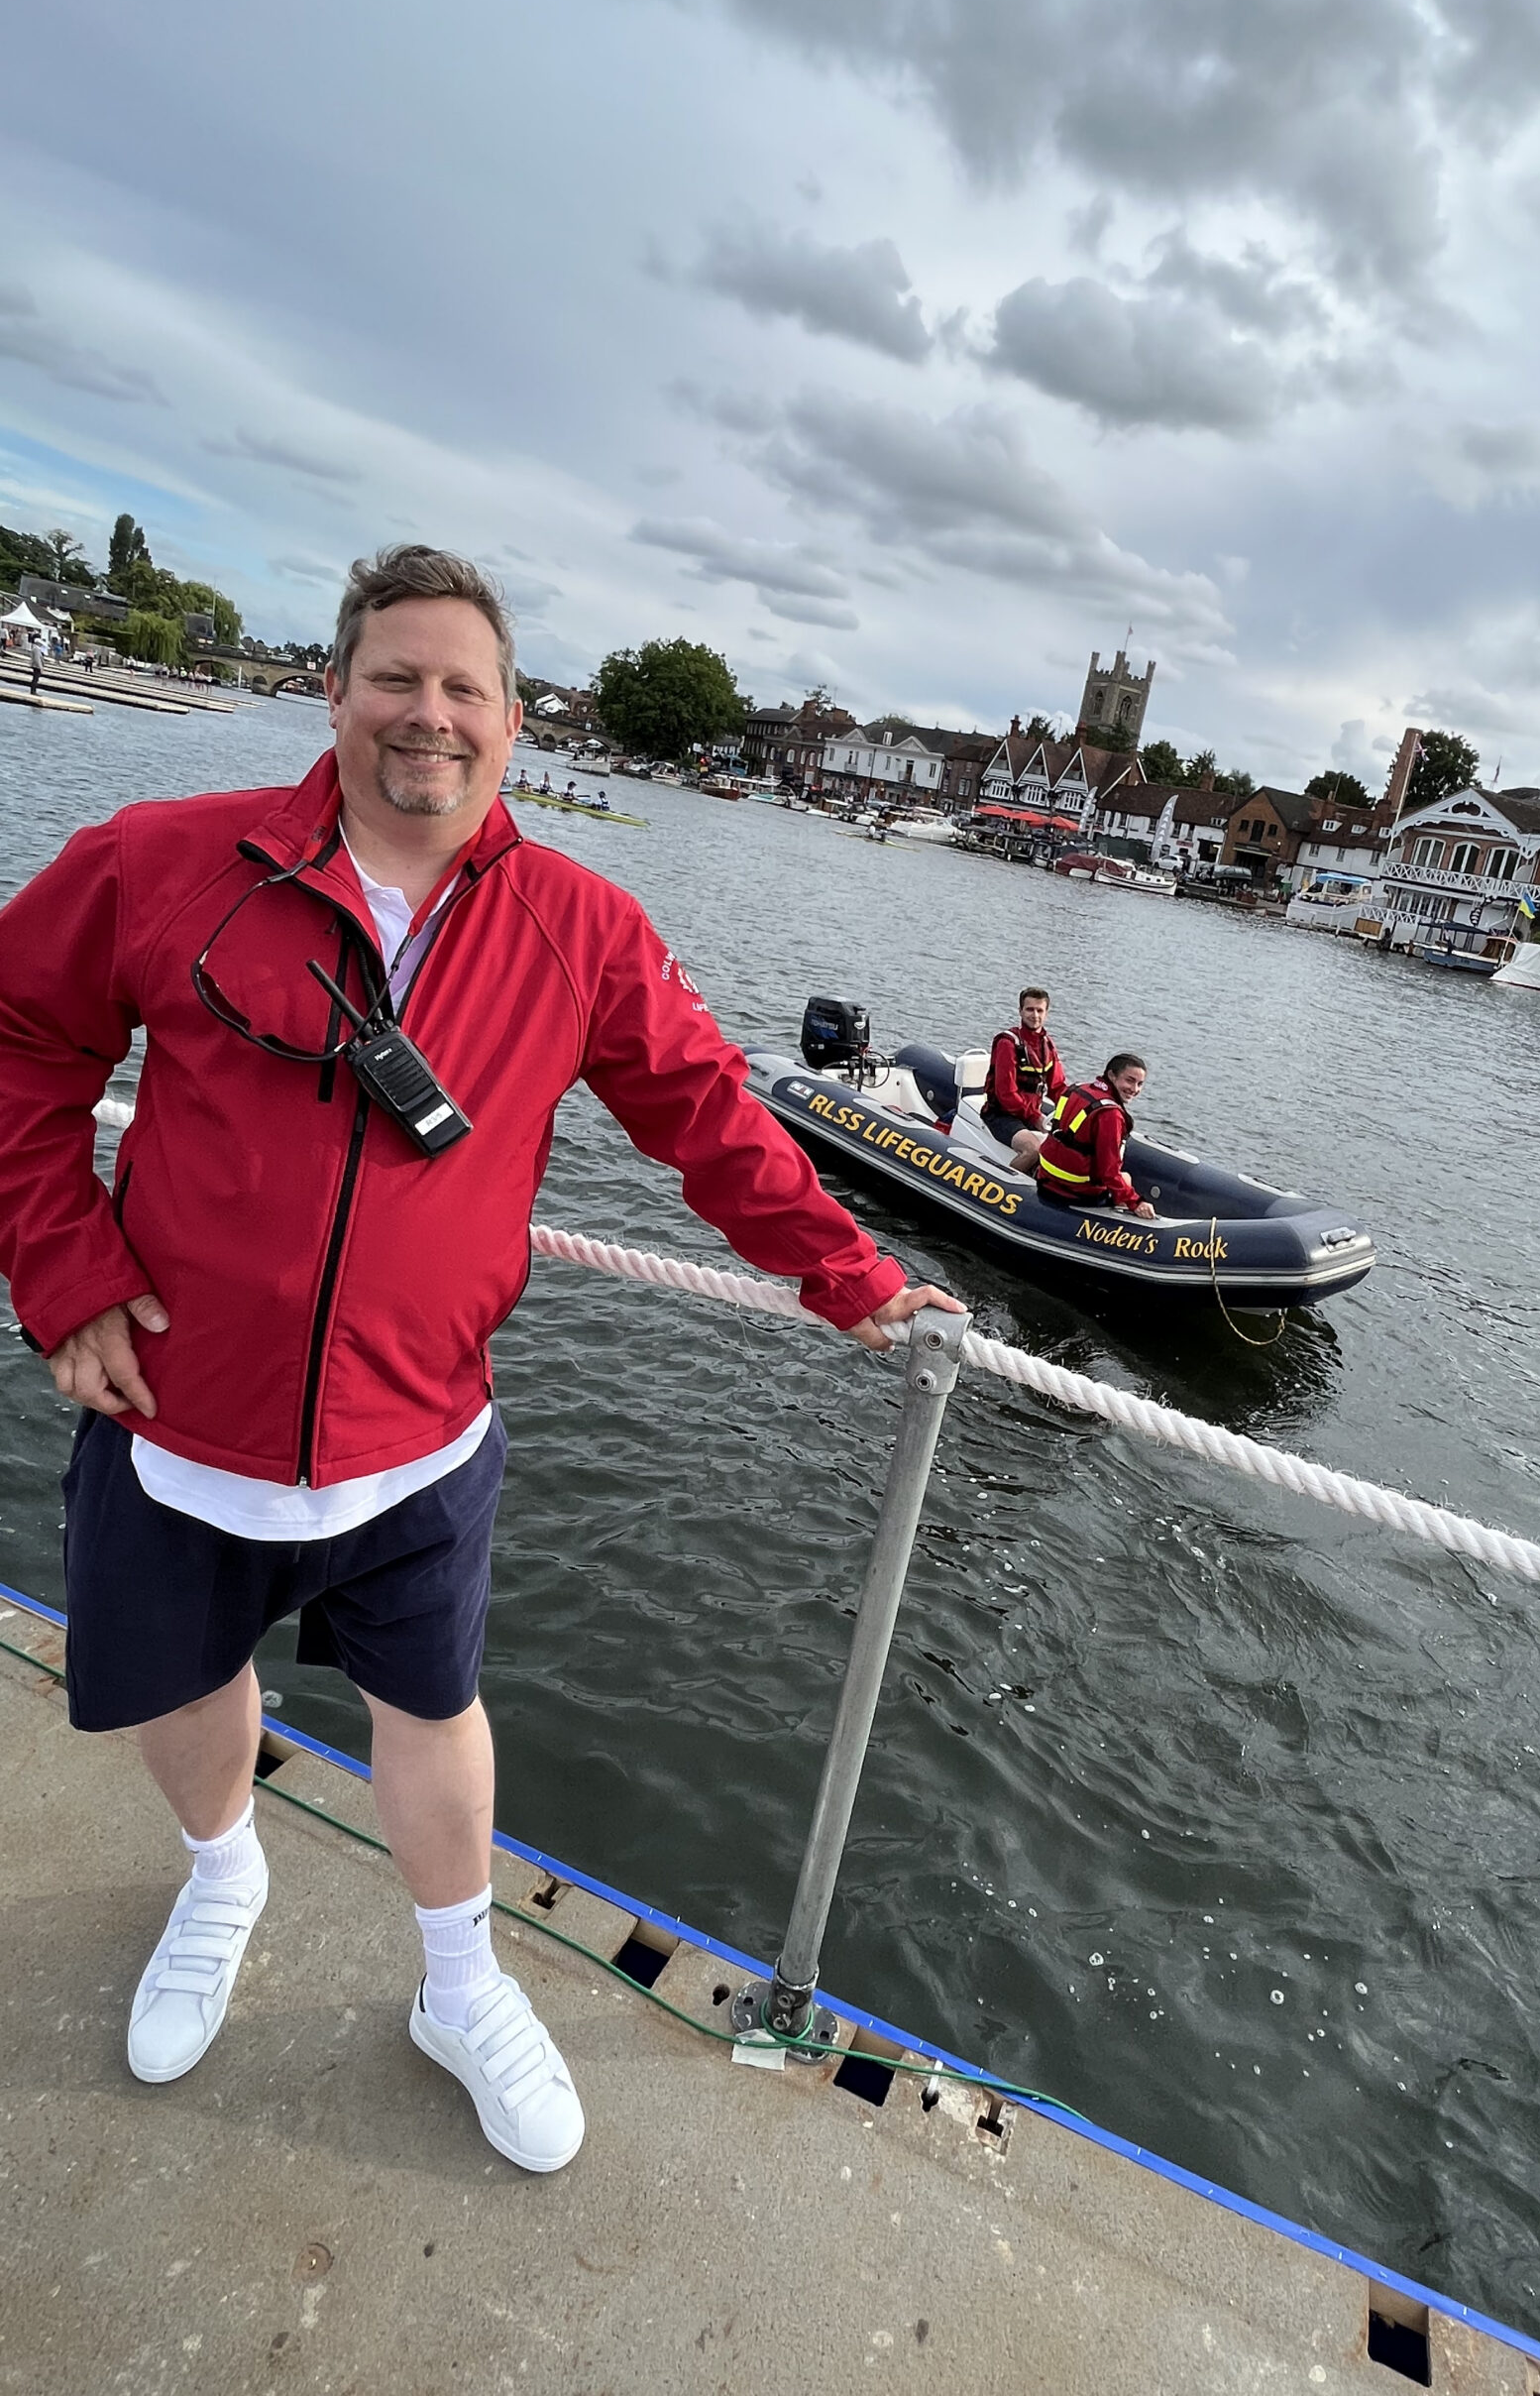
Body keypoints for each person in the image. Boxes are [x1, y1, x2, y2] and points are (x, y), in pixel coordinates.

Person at [0, 543, 958, 2178]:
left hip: (419, 1441)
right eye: (395, 677)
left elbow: (709, 1118)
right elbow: (22, 1039)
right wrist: (64, 1266)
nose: (426, 715)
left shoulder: (580, 925)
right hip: (176, 1411)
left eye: (464, 689)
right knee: (179, 1676)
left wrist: (851, 1276)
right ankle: (222, 1876)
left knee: (432, 1707)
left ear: (515, 722)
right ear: (336, 690)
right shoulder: (164, 862)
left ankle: (460, 1985)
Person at [1035, 1054, 1158, 1219]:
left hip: (1046, 1179)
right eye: (1129, 1080)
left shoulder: (1078, 1089)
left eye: (1140, 1084)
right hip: (1076, 1191)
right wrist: (1136, 1202)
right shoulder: (1110, 1115)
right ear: (1111, 1075)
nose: (1134, 1089)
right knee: (1125, 1179)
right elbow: (1109, 1172)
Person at [979, 986, 1065, 1169]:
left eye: (1039, 1010)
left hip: (1030, 1114)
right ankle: (1004, 1187)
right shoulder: (1008, 1043)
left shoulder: (1047, 1045)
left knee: (1064, 1151)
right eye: (1030, 1009)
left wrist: (1075, 1109)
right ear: (1020, 1011)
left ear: (1046, 1013)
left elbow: (1057, 1087)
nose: (1035, 1015)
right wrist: (1035, 1117)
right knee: (1032, 1150)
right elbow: (1006, 1094)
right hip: (1001, 1115)